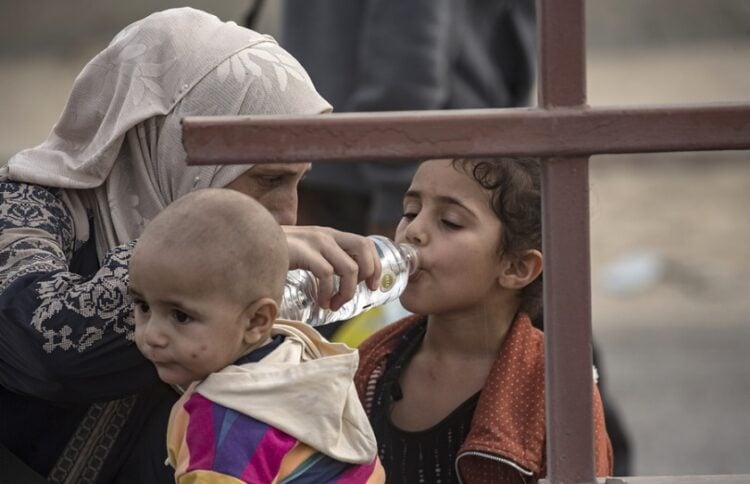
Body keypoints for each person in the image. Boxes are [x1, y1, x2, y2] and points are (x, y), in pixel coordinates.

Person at [0, 8, 382, 483]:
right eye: (269, 179)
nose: (287, 214)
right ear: (172, 149)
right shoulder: (23, 211)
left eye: (298, 181)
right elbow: (46, 349)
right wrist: (218, 256)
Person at [354, 157, 613, 483]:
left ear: (516, 268)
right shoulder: (369, 364)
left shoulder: (556, 390)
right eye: (410, 211)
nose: (414, 231)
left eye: (450, 221)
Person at [129, 188, 384, 483]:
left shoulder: (223, 425)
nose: (153, 335)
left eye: (181, 316)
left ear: (256, 321)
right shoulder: (297, 359)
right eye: (143, 306)